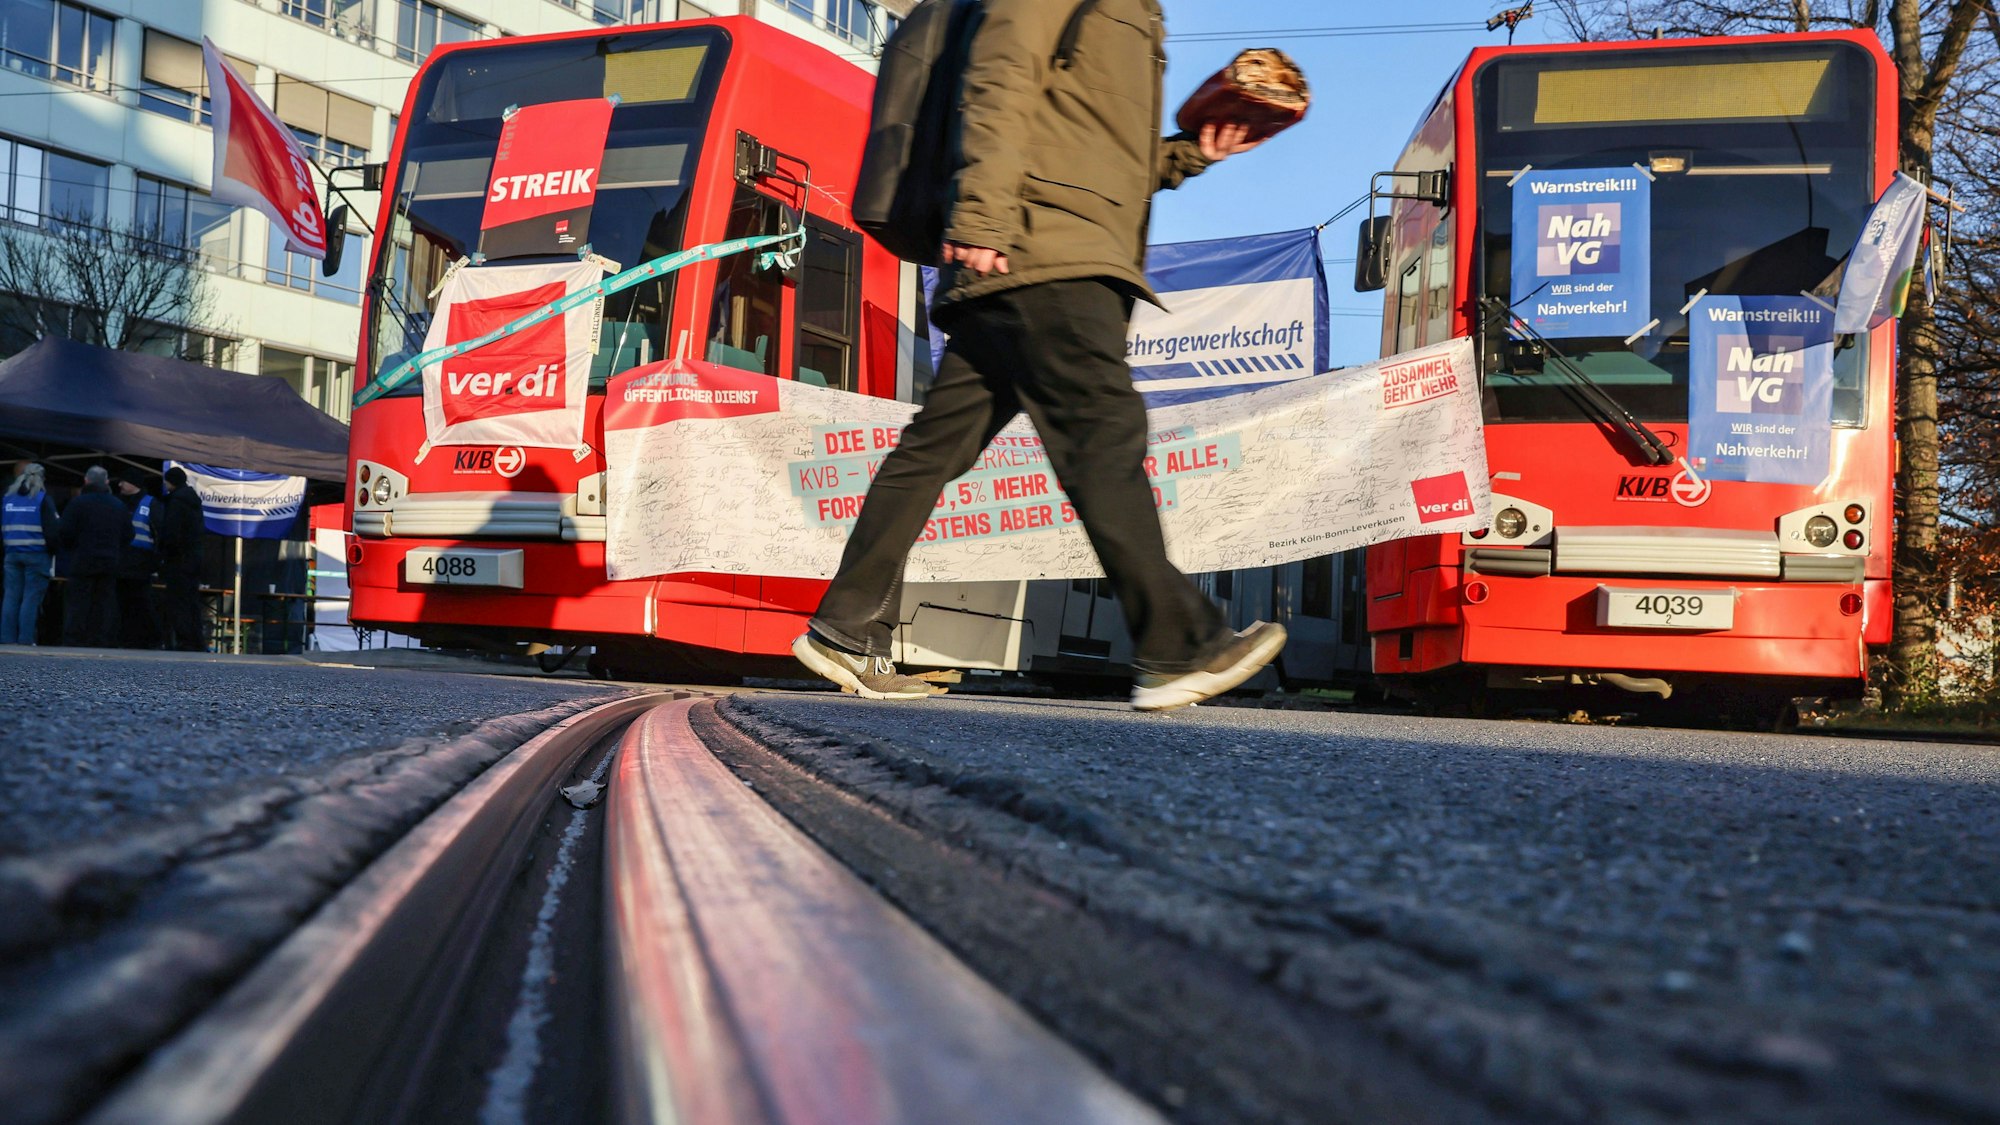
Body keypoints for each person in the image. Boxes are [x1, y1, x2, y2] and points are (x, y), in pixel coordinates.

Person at [792, 0, 1286, 710]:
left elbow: (1089, 152)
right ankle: (1179, 646)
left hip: (1037, 246)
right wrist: (983, 215)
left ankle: (843, 627)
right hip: (1040, 252)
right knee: (1102, 432)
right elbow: (999, 75)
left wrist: (1190, 154)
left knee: (933, 450)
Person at [58, 465, 130, 647]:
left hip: (82, 560)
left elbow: (64, 531)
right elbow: (129, 534)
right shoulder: (118, 505)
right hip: (109, 561)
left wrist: (72, 548)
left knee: (78, 602)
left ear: (86, 481)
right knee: (104, 602)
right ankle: (100, 639)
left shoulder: (77, 503)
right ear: (107, 482)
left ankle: (74, 639)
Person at [1, 463, 59, 645]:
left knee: (11, 596)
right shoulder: (42, 499)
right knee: (31, 597)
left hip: (11, 554)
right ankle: (25, 639)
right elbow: (52, 531)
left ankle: (6, 638)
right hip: (36, 554)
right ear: (42, 479)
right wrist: (53, 550)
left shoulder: (7, 499)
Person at [155, 465, 208, 652]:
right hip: (194, 558)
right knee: (191, 601)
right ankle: (196, 639)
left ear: (171, 482)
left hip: (179, 560)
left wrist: (164, 554)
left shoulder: (176, 502)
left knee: (178, 601)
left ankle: (184, 639)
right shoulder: (193, 501)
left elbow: (172, 534)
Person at [115, 471, 161, 649]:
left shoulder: (150, 504)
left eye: (123, 480)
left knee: (141, 603)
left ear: (134, 483)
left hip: (141, 563)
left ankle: (146, 640)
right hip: (121, 563)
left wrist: (155, 562)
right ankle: (126, 639)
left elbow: (159, 534)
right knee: (123, 604)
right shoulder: (118, 502)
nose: (119, 485)